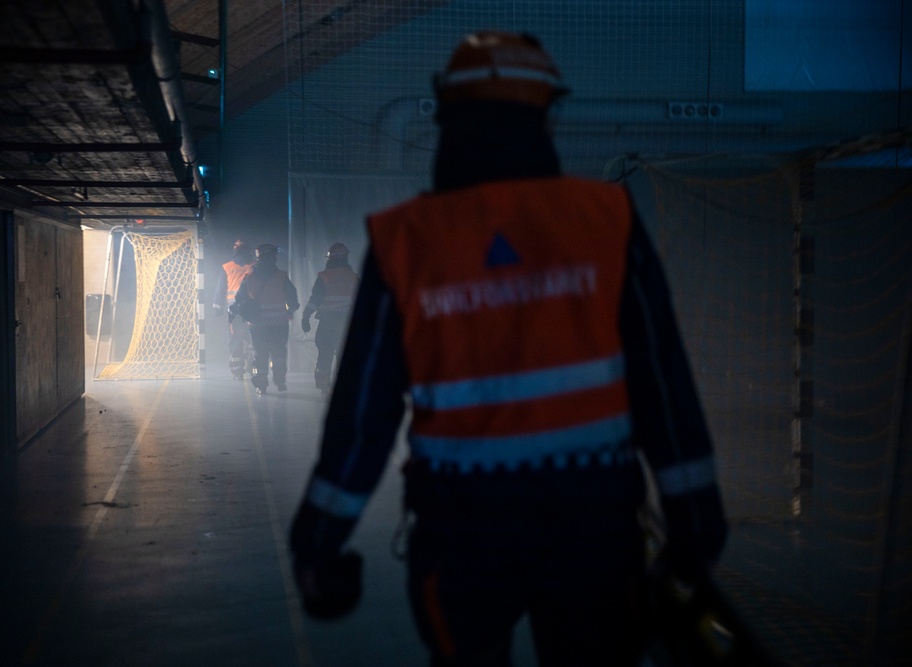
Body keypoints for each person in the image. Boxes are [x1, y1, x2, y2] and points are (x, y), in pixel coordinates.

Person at [289, 31, 727, 666]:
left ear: (447, 118)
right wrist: (696, 519)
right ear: (546, 114)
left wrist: (320, 541)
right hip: (594, 529)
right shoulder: (607, 220)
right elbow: (662, 383)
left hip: (460, 529)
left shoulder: (406, 241)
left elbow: (364, 417)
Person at [234, 243, 299, 395]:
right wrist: (290, 310)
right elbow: (293, 300)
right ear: (272, 257)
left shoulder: (249, 277)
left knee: (259, 354)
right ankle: (280, 381)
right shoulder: (282, 276)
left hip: (257, 325)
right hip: (279, 323)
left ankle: (261, 385)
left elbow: (239, 299)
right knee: (279, 353)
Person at [301, 242, 360, 395]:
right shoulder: (354, 277)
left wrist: (306, 316)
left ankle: (323, 385)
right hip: (348, 324)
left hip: (328, 323)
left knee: (325, 354)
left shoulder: (324, 276)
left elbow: (315, 299)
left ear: (331, 259)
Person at [213, 239, 254, 380]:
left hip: (233, 311)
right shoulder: (255, 266)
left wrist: (217, 308)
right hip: (252, 309)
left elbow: (221, 289)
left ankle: (238, 371)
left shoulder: (227, 267)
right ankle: (253, 360)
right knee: (253, 335)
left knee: (235, 337)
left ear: (235, 249)